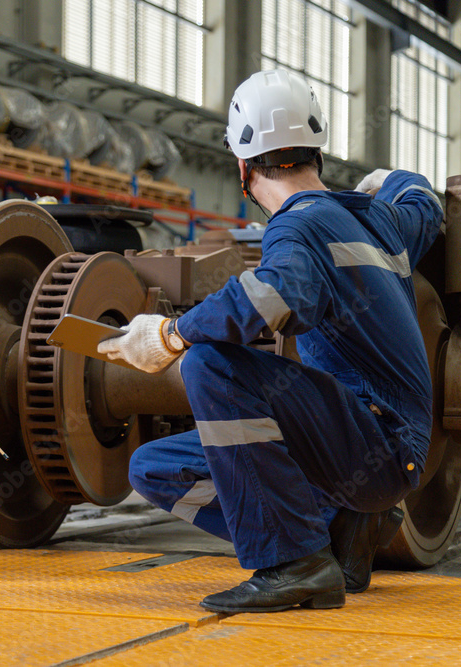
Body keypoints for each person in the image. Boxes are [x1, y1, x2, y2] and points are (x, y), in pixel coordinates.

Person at [99, 69, 443, 612]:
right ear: (316, 154)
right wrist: (392, 177)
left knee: (211, 365)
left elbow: (276, 297)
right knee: (154, 468)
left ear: (243, 168)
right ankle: (337, 533)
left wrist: (170, 334)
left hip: (378, 443)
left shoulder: (296, 225)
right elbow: (425, 201)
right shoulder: (381, 218)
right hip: (377, 447)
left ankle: (295, 563)